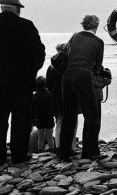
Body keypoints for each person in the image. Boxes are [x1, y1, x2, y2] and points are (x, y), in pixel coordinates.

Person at [0, 0, 45, 164]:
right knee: (21, 120)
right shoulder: (26, 26)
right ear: (17, 9)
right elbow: (39, 53)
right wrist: (31, 72)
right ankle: (18, 155)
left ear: (2, 7)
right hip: (21, 83)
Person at [58, 15, 104, 162]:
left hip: (67, 76)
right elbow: (97, 66)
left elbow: (66, 53)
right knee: (92, 115)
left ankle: (63, 153)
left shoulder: (75, 36)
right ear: (96, 25)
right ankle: (90, 151)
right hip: (83, 76)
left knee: (69, 116)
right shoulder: (98, 42)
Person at [46, 44, 78, 154]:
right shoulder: (70, 65)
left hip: (56, 97)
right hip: (69, 95)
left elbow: (48, 84)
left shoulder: (51, 67)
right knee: (73, 122)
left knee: (59, 122)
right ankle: (72, 147)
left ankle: (58, 146)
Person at [33, 76, 55, 152]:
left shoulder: (34, 96)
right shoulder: (49, 95)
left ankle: (40, 150)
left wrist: (34, 118)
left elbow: (33, 109)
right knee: (49, 136)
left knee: (40, 136)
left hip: (39, 118)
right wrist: (53, 114)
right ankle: (52, 149)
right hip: (48, 118)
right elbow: (52, 107)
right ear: (45, 84)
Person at [92, 66, 112, 133]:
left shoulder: (91, 72)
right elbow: (108, 81)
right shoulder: (102, 75)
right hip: (97, 97)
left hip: (91, 97)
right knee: (97, 119)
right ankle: (95, 135)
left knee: (92, 119)